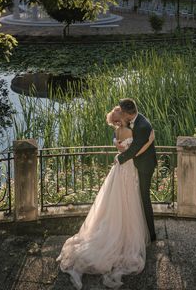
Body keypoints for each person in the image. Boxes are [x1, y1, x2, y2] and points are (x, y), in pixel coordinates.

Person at [57, 106, 155, 289]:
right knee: (128, 200)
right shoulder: (127, 130)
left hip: (118, 167)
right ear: (123, 118)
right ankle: (125, 233)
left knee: (113, 200)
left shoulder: (118, 131)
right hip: (127, 167)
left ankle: (112, 227)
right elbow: (135, 149)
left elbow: (120, 145)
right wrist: (150, 141)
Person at [115, 98, 158, 243]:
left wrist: (120, 159)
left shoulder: (143, 126)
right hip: (135, 164)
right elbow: (117, 130)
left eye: (122, 111)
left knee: (144, 197)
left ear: (127, 113)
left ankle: (151, 234)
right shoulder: (131, 120)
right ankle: (139, 228)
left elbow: (135, 150)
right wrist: (116, 142)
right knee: (135, 196)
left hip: (145, 166)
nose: (120, 113)